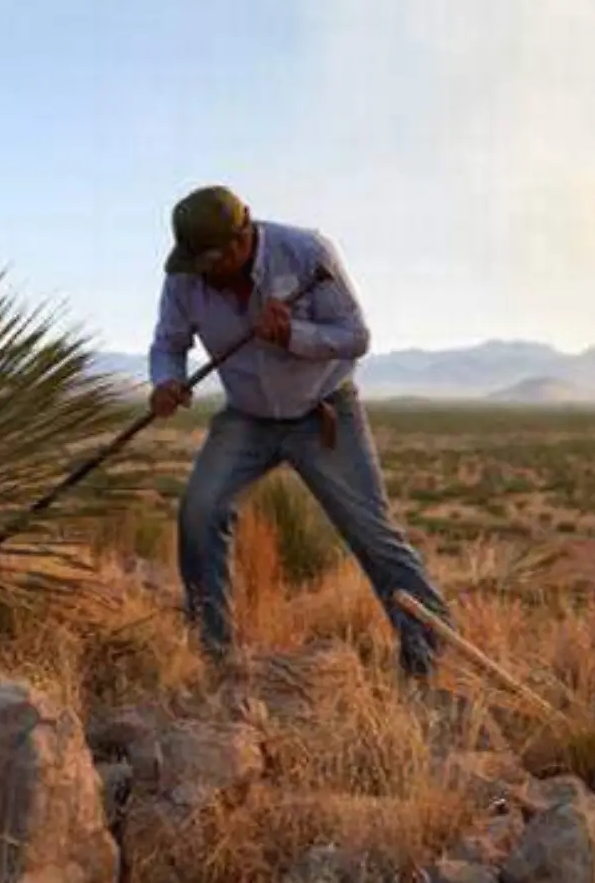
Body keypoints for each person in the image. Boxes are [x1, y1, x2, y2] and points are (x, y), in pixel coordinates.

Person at [147, 185, 453, 681]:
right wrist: (165, 381)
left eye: (208, 260)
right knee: (200, 512)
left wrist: (293, 336)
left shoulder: (308, 253)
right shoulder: (184, 279)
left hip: (324, 411)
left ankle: (431, 657)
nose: (199, 272)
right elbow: (168, 342)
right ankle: (214, 657)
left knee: (372, 533)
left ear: (240, 241)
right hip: (247, 417)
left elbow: (356, 337)